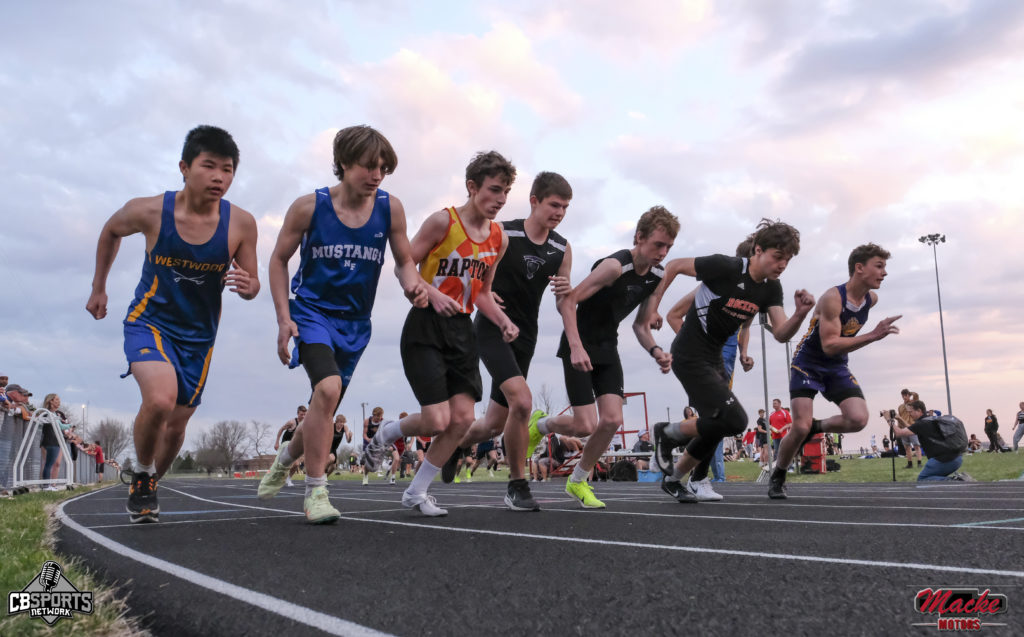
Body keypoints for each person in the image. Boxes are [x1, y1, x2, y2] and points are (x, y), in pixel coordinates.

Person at [87, 126, 260, 523]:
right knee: (160, 399)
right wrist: (99, 287)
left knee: (177, 424)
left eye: (228, 169)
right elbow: (111, 230)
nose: (219, 177)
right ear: (184, 167)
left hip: (199, 337)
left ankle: (147, 482)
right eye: (209, 166)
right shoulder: (150, 211)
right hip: (149, 322)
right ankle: (143, 472)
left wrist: (250, 286)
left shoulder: (241, 224)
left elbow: (252, 284)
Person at [257, 126, 426, 523]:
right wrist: (284, 318)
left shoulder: (390, 208)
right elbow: (278, 260)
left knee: (325, 403)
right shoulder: (308, 207)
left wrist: (412, 285)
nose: (377, 175)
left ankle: (285, 459)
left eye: (383, 168)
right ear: (344, 164)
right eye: (369, 166)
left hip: (356, 324)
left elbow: (404, 261)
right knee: (328, 389)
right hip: (312, 313)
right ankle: (316, 492)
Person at [363, 151, 519, 516]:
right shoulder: (442, 222)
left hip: (462, 330)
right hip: (426, 324)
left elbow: (482, 293)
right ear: (472, 186)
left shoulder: (499, 238)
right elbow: (404, 265)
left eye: (506, 192)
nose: (500, 199)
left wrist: (502, 321)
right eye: (494, 190)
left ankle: (416, 492)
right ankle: (386, 432)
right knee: (436, 421)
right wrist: (430, 294)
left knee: (462, 420)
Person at [647, 219, 814, 504]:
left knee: (717, 425)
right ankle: (667, 432)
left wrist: (800, 313)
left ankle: (674, 478)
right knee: (736, 420)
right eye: (778, 257)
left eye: (787, 260)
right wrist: (652, 308)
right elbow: (673, 265)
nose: (782, 265)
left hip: (715, 359)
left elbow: (781, 333)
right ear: (758, 250)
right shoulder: (725, 267)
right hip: (689, 354)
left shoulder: (771, 289)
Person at [437, 171, 574, 512]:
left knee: (492, 425)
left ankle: (457, 444)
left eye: (565, 207)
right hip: (492, 328)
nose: (559, 213)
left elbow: (564, 300)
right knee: (523, 403)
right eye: (554, 205)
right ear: (534, 201)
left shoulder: (562, 248)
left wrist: (567, 296)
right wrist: (484, 292)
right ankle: (517, 485)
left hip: (526, 336)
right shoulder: (502, 233)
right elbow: (474, 273)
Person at [526, 206, 678, 509]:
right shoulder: (614, 267)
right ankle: (541, 424)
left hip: (608, 346)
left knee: (611, 420)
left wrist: (656, 350)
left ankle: (578, 480)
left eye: (668, 247)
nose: (663, 253)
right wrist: (576, 346)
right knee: (585, 425)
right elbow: (568, 301)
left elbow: (641, 325)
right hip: (578, 342)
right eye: (658, 245)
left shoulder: (657, 275)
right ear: (639, 237)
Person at [768, 243, 901, 498]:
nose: (884, 273)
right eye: (879, 266)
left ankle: (815, 426)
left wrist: (870, 336)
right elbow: (829, 345)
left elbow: (837, 347)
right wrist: (873, 335)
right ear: (859, 268)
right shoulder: (833, 298)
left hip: (836, 365)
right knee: (799, 427)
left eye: (885, 267)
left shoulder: (871, 299)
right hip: (807, 364)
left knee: (858, 419)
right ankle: (779, 474)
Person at [656, 238, 757, 499]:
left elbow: (746, 326)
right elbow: (673, 315)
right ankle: (696, 476)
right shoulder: (716, 286)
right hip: (703, 362)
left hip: (725, 363)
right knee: (717, 420)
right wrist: (697, 347)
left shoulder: (756, 293)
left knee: (720, 423)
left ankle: (682, 477)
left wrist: (744, 353)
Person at [892, 400, 970, 481]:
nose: (909, 414)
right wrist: (899, 419)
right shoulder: (930, 420)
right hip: (957, 458)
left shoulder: (921, 424)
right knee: (932, 479)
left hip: (944, 460)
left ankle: (957, 480)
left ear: (919, 411)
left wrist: (889, 420)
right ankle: (957, 479)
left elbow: (898, 433)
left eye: (910, 412)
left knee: (923, 479)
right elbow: (911, 428)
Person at [274, 405, 306, 488]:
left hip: (295, 445)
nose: (303, 416)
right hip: (286, 444)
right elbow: (281, 429)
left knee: (296, 464)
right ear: (297, 414)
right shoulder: (292, 422)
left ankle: (288, 479)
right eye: (301, 414)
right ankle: (277, 477)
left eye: (304, 414)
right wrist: (277, 442)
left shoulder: (305, 424)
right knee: (284, 464)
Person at [895, 389, 923, 467]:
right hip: (903, 428)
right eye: (903, 396)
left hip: (913, 427)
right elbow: (899, 417)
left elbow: (916, 396)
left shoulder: (913, 403)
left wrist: (910, 393)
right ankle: (909, 463)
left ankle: (919, 463)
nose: (904, 397)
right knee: (907, 447)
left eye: (906, 395)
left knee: (916, 446)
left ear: (908, 395)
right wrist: (899, 428)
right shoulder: (900, 407)